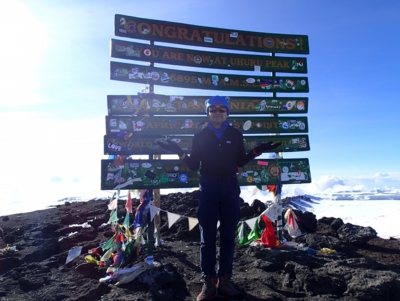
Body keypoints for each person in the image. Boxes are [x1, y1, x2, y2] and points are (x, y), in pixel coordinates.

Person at [158, 96, 281, 301]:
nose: (217, 112)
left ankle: (224, 280)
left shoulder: (235, 134)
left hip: (230, 187)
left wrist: (259, 150)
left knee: (228, 235)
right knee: (207, 236)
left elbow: (241, 160)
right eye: (213, 109)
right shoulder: (200, 136)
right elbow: (192, 165)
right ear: (208, 113)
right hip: (208, 186)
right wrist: (179, 151)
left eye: (221, 109)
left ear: (227, 113)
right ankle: (208, 281)